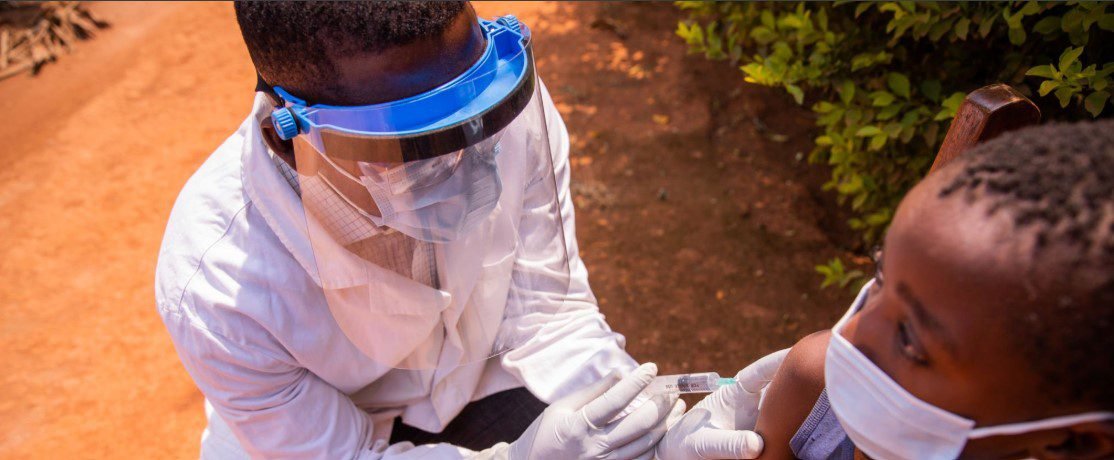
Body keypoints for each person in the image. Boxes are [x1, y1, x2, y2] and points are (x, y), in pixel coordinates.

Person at [155, 2, 699, 458]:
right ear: (285, 137)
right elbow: (343, 455)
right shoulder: (218, 290)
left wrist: (656, 427)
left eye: (472, 115)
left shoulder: (501, 112)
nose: (471, 158)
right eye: (412, 148)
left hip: (479, 381)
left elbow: (551, 319)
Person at [711, 121, 1114, 459]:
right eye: (880, 278)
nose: (850, 335)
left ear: (1070, 442)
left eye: (909, 339)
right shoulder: (814, 381)